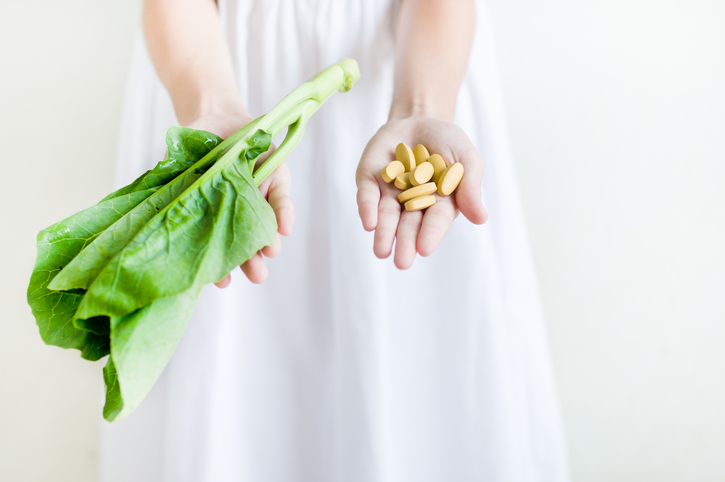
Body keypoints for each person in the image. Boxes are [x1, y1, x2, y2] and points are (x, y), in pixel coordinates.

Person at [102, 0, 570, 480]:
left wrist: (422, 107)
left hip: (417, 67)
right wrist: (212, 107)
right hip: (211, 67)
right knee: (234, 383)